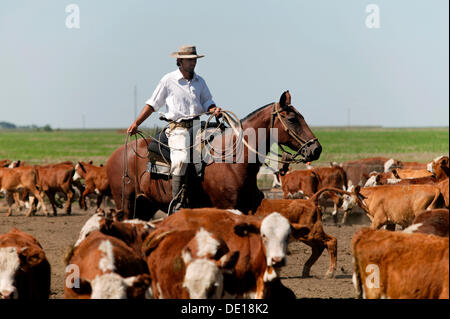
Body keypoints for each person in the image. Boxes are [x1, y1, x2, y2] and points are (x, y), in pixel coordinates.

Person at [127, 45, 222, 211]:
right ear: (179, 61)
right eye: (189, 60)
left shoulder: (200, 81)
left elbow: (207, 102)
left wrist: (214, 110)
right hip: (178, 128)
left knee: (221, 148)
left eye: (194, 60)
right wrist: (137, 123)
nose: (193, 63)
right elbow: (153, 104)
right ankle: (178, 203)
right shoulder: (168, 80)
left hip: (198, 126)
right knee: (180, 159)